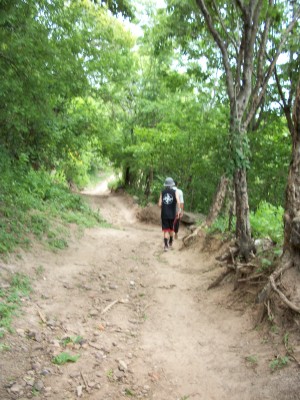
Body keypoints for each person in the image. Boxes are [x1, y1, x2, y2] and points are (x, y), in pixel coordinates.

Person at [158, 177, 181, 251]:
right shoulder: (175, 192)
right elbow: (178, 201)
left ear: (165, 185)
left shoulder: (162, 192)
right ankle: (170, 241)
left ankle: (165, 245)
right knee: (171, 229)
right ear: (172, 184)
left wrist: (163, 206)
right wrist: (179, 210)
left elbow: (159, 204)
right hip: (172, 214)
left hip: (164, 214)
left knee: (165, 230)